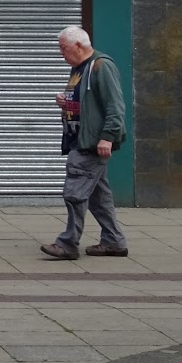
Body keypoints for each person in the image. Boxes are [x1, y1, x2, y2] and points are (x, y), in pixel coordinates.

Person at [41, 26, 128, 260]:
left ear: (79, 46)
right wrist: (66, 101)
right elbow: (87, 104)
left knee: (74, 193)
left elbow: (115, 107)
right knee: (99, 197)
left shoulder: (101, 66)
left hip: (91, 143)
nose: (61, 53)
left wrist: (107, 137)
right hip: (81, 138)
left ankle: (68, 243)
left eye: (63, 48)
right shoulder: (79, 68)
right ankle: (114, 241)